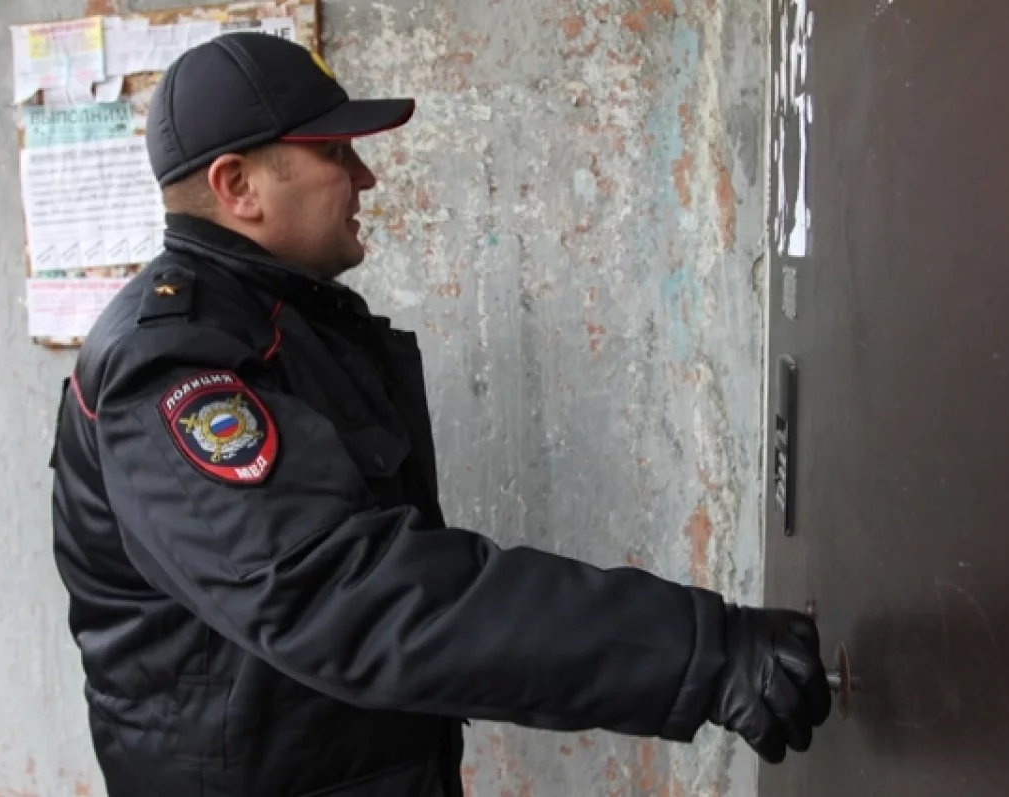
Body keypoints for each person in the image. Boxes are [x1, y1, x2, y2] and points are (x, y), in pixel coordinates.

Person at [49, 32, 830, 797]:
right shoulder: (172, 368)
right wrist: (701, 652)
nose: (366, 176)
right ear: (238, 186)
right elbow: (344, 594)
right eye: (336, 153)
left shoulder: (282, 323)